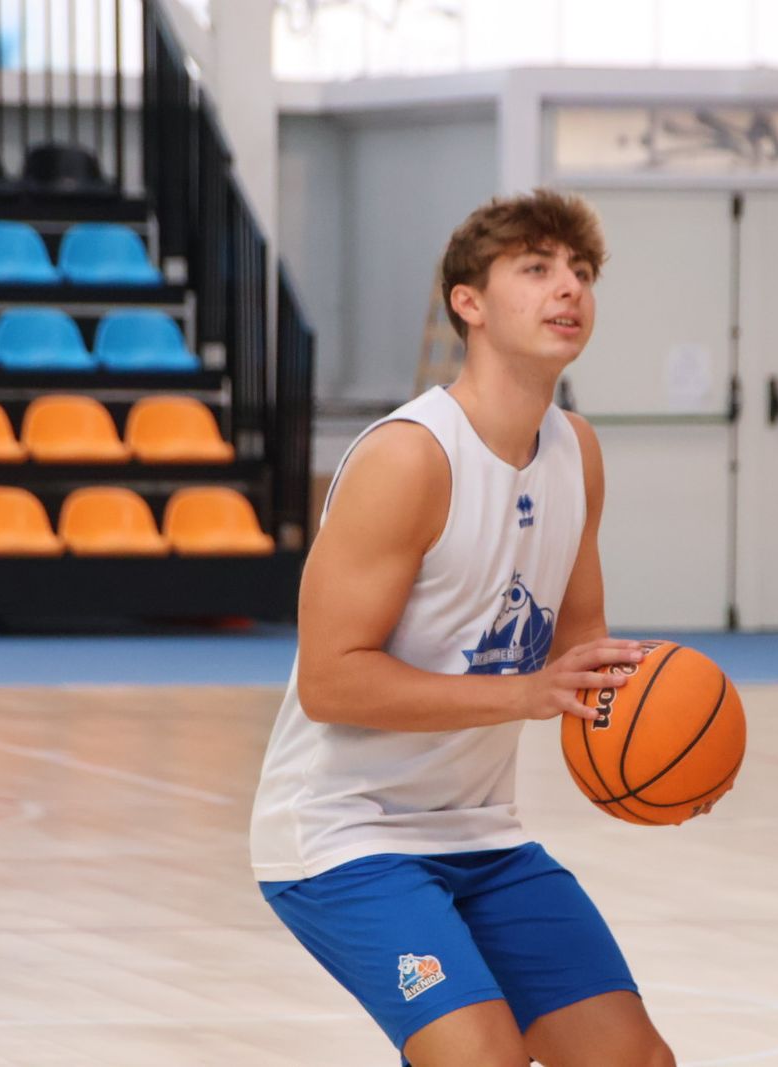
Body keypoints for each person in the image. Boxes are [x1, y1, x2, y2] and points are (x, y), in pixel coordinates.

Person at [250, 190, 675, 1067]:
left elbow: (581, 661)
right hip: (342, 831)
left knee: (631, 1060)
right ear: (468, 303)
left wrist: (659, 753)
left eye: (581, 272)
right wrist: (523, 693)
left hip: (481, 830)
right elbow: (331, 680)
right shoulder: (410, 458)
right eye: (537, 268)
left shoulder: (577, 452)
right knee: (479, 1057)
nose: (569, 289)